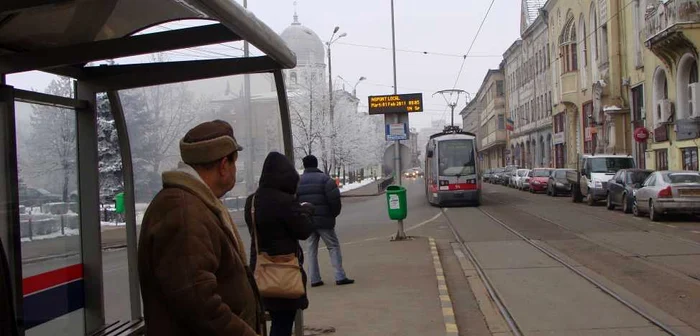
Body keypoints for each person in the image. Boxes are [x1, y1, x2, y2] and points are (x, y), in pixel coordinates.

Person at [138, 120, 264, 336]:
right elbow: (198, 304)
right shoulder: (184, 211)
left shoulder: (192, 203)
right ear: (224, 166)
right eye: (234, 162)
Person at [244, 152, 314, 336]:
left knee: (266, 323)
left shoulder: (251, 201)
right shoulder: (286, 202)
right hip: (283, 272)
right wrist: (305, 212)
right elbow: (303, 231)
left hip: (260, 270)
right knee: (282, 325)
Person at [297, 155, 354, 287]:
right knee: (333, 246)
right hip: (324, 221)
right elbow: (334, 201)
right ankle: (340, 276)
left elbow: (295, 202)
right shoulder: (326, 180)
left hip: (307, 221)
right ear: (316, 164)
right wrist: (332, 215)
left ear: (304, 165)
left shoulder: (298, 182)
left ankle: (314, 279)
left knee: (311, 250)